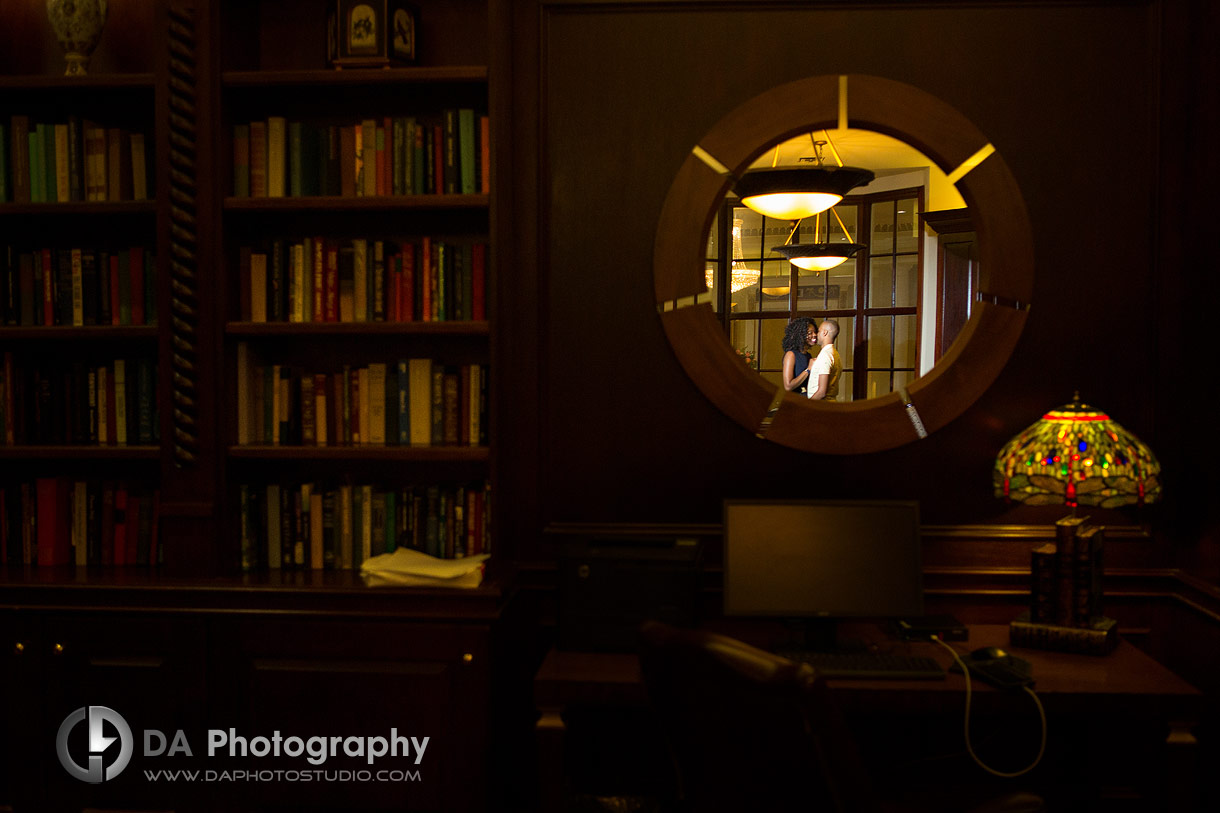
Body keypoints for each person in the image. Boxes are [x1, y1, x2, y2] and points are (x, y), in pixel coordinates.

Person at [807, 319, 843, 401]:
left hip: (821, 407)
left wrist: (807, 406)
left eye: (818, 331)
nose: (816, 335)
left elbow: (822, 392)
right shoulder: (835, 354)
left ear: (825, 332)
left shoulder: (825, 355)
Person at [780, 318, 817, 394]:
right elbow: (788, 386)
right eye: (810, 333)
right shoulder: (791, 355)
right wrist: (808, 369)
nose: (814, 335)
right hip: (794, 401)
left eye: (815, 332)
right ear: (800, 335)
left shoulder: (808, 355)